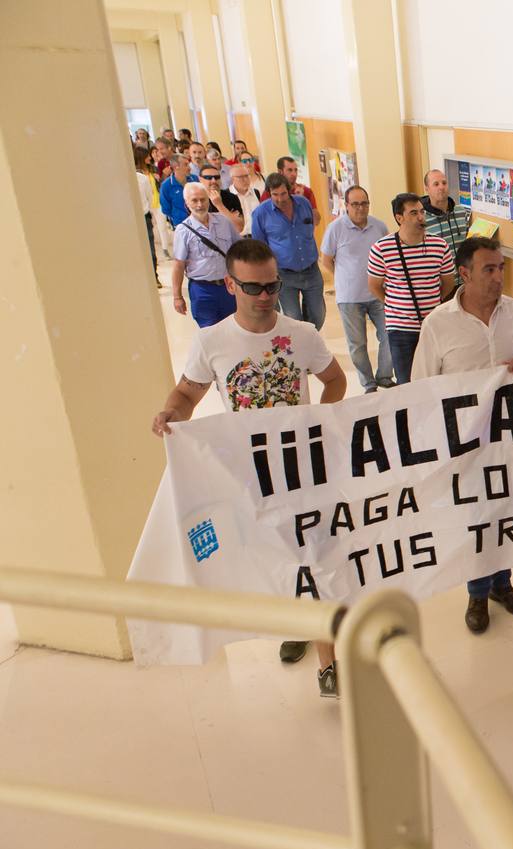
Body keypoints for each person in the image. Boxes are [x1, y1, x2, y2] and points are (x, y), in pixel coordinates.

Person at [150, 239, 347, 695]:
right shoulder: (212, 341)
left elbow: (334, 381)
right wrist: (170, 415)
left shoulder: (302, 334)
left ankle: (327, 661)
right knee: (274, 557)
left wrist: (316, 419)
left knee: (311, 557)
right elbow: (186, 395)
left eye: (272, 285)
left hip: (302, 468)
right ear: (229, 283)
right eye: (253, 287)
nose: (265, 295)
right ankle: (294, 625)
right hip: (248, 473)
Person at [411, 235, 513, 633]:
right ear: (464, 274)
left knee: (507, 508)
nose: (498, 277)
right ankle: (477, 591)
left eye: (501, 268)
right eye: (489, 269)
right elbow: (421, 385)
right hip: (465, 442)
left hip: (512, 437)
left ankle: (503, 584)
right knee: (476, 515)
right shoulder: (438, 325)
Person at [367, 193, 454, 384]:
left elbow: (448, 282)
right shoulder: (382, 249)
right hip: (400, 329)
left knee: (436, 380)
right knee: (407, 383)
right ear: (400, 218)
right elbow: (374, 285)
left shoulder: (439, 246)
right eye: (413, 213)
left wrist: (432, 301)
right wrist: (395, 304)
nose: (421, 217)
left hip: (433, 325)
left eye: (422, 212)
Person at [320, 186, 393, 393]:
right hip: (349, 298)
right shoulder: (335, 229)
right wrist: (345, 277)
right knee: (357, 344)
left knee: (389, 335)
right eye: (356, 204)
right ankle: (368, 383)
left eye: (364, 203)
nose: (361, 208)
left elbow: (388, 255)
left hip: (379, 293)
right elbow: (326, 260)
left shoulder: (379, 226)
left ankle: (385, 376)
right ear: (346, 205)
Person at [251, 172, 325, 329]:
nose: (280, 199)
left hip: (311, 271)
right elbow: (260, 247)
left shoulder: (303, 203)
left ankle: (310, 341)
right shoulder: (261, 214)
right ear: (268, 193)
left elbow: (312, 226)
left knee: (318, 315)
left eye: (283, 193)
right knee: (294, 319)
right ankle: (302, 350)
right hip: (284, 275)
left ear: (289, 190)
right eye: (275, 194)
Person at [171, 182, 241, 327]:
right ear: (186, 203)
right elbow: (178, 265)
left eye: (203, 199)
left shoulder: (223, 221)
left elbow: (238, 250)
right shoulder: (183, 230)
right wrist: (177, 296)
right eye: (194, 200)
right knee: (210, 333)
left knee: (233, 330)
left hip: (228, 287)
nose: (199, 204)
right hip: (202, 290)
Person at [420, 169, 471, 264]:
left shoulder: (461, 212)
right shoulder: (421, 218)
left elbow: (466, 244)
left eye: (444, 183)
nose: (442, 187)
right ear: (427, 189)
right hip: (438, 277)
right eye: (436, 184)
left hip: (463, 276)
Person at [134, 147, 161, 287]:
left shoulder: (143, 179)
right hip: (131, 220)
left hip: (144, 217)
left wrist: (152, 216)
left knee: (150, 248)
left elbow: (149, 199)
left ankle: (154, 276)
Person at [197, 164, 243, 234]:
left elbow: (238, 227)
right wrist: (229, 215)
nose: (213, 181)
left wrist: (219, 205)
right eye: (208, 177)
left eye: (217, 177)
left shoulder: (231, 197)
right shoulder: (196, 200)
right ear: (200, 179)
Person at [158, 153, 199, 228]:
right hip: (181, 225)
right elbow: (166, 209)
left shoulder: (195, 179)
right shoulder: (166, 186)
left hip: (198, 221)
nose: (189, 167)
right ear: (176, 167)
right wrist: (178, 216)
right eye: (186, 165)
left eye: (189, 164)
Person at [227, 162, 265, 236]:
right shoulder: (226, 195)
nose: (245, 180)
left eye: (247, 176)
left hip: (256, 236)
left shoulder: (256, 193)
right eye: (240, 177)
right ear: (232, 179)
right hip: (238, 238)